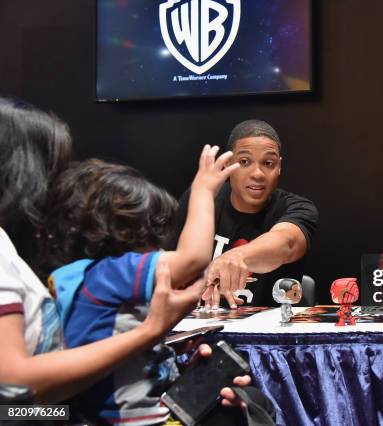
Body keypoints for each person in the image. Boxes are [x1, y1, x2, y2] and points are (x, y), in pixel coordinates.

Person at [0, 98, 252, 423]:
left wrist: (159, 363)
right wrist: (149, 332)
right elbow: (13, 390)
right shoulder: (111, 273)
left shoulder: (65, 277)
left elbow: (27, 405)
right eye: (51, 167)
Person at [42, 150, 245, 423]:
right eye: (153, 235)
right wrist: (204, 190)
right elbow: (193, 260)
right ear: (126, 233)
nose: (159, 249)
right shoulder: (113, 271)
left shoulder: (75, 277)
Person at [173, 119, 319, 309]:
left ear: (279, 166)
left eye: (268, 163)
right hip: (203, 328)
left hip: (270, 332)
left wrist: (234, 257)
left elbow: (286, 243)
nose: (257, 173)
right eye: (244, 162)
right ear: (227, 164)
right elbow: (175, 266)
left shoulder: (298, 208)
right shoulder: (203, 200)